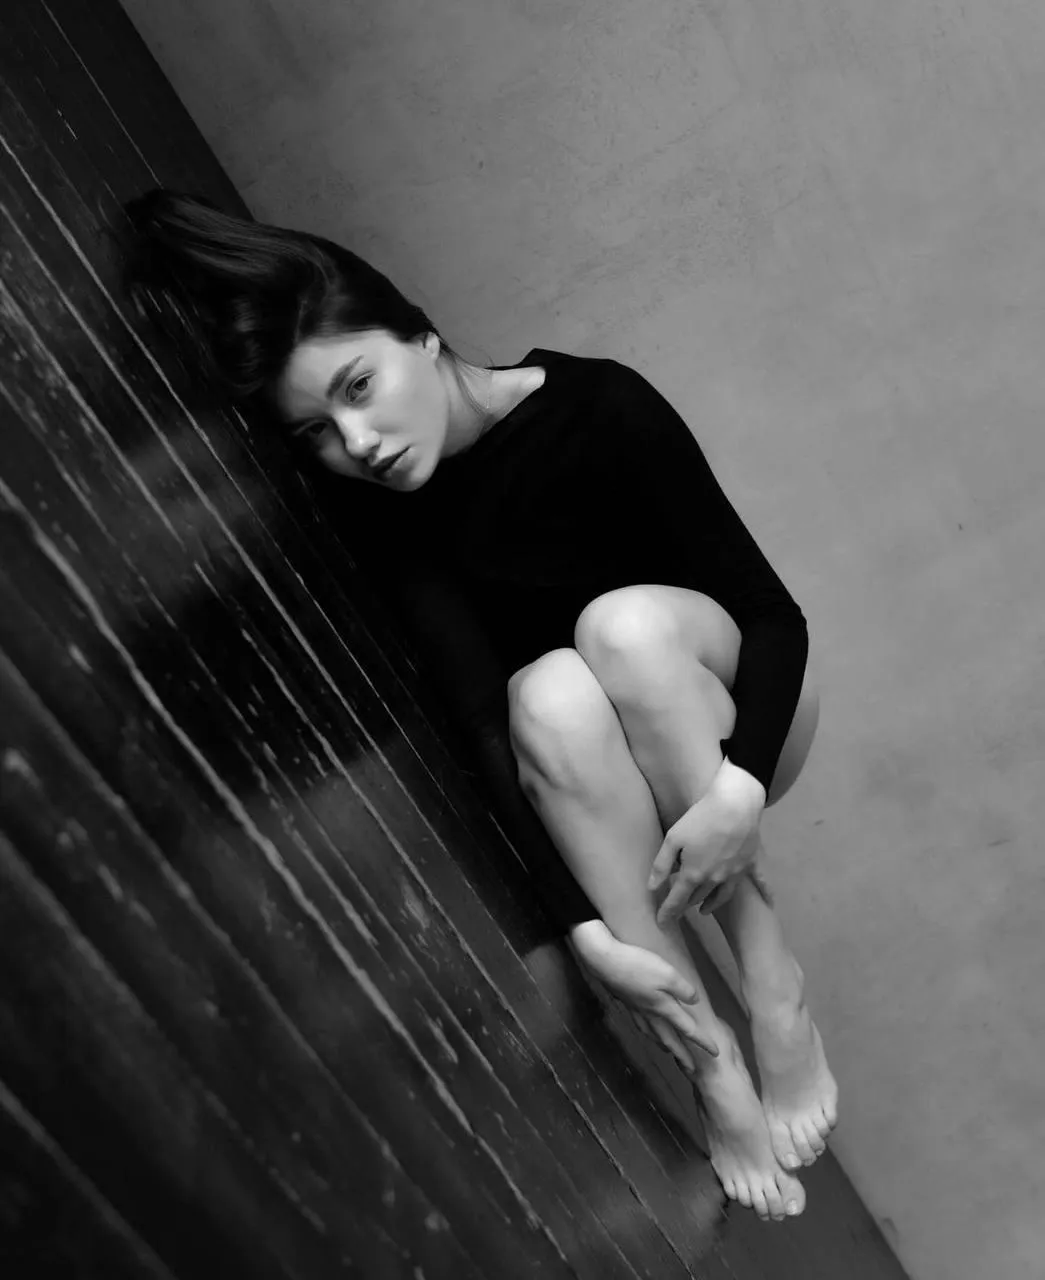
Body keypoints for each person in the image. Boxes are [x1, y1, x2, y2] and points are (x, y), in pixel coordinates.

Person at [122, 189, 838, 1223]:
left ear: (419, 331)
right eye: (320, 431)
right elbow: (483, 728)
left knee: (619, 630)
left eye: (361, 387)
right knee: (540, 690)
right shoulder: (383, 513)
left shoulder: (596, 406)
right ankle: (710, 1057)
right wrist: (581, 923)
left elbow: (773, 620)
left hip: (736, 716)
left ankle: (771, 985)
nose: (359, 441)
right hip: (596, 770)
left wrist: (738, 786)